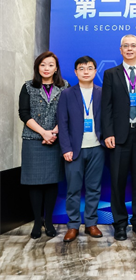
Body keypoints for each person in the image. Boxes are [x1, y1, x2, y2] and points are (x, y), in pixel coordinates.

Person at [101, 34, 136, 241]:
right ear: (121, 50)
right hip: (119, 137)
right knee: (118, 181)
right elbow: (106, 106)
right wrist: (108, 133)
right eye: (126, 46)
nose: (130, 49)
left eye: (133, 46)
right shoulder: (111, 74)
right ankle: (120, 224)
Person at [18, 51, 68, 239]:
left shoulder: (64, 87)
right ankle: (37, 222)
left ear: (56, 68)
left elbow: (68, 112)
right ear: (37, 67)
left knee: (51, 181)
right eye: (42, 65)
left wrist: (54, 132)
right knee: (35, 183)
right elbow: (24, 113)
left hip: (55, 139)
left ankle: (48, 221)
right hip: (33, 139)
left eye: (50, 65)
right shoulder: (28, 86)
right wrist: (43, 133)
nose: (46, 68)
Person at [57, 56, 105, 242]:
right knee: (73, 189)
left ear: (95, 71)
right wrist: (66, 148)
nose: (86, 72)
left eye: (90, 68)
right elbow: (62, 122)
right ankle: (73, 225)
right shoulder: (67, 94)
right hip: (74, 149)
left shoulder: (102, 92)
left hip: (97, 148)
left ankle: (91, 223)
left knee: (94, 188)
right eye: (82, 68)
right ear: (75, 72)